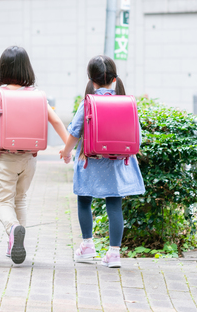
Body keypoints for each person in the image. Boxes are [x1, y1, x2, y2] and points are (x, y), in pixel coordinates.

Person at [0, 46, 70, 265]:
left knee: (3, 203)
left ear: (2, 68)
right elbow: (55, 120)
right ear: (27, 69)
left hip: (5, 158)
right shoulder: (36, 96)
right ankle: (16, 244)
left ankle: (13, 229)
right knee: (21, 199)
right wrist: (67, 147)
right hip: (29, 159)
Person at [59, 55, 145, 268]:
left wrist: (66, 152)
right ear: (114, 80)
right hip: (116, 165)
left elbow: (74, 132)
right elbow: (138, 137)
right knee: (114, 204)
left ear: (91, 79)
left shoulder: (88, 103)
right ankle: (114, 254)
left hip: (90, 163)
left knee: (84, 200)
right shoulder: (125, 102)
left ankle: (87, 246)